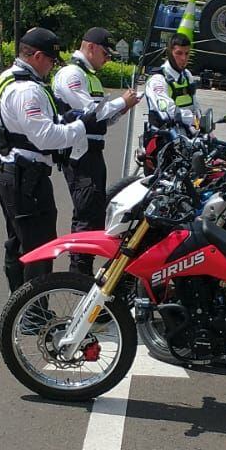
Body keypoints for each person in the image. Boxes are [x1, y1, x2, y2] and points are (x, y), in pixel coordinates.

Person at [0, 27, 87, 292]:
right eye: (52, 61)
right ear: (38, 57)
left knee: (19, 242)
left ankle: (20, 305)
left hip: (13, 171)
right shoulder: (26, 90)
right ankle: (32, 312)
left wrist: (62, 120)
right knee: (40, 246)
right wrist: (80, 127)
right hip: (25, 176)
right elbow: (45, 137)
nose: (53, 67)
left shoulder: (7, 78)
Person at [53, 26, 140, 272]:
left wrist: (124, 108)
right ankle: (78, 272)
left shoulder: (90, 75)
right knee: (86, 215)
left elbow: (103, 119)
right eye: (105, 52)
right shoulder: (72, 74)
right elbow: (92, 110)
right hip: (79, 153)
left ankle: (83, 269)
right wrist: (121, 101)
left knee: (93, 214)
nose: (107, 58)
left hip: (92, 152)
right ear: (90, 47)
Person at [144, 32, 201, 138]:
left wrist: (202, 121)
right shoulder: (158, 79)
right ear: (169, 52)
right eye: (179, 53)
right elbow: (168, 111)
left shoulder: (187, 75)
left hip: (187, 134)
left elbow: (195, 104)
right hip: (163, 138)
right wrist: (194, 120)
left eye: (187, 53)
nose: (184, 58)